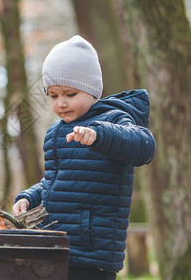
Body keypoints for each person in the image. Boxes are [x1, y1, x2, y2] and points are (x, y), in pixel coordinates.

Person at [12, 35, 156, 280]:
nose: (61, 104)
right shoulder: (55, 133)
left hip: (93, 254)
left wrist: (99, 135)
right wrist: (29, 197)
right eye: (53, 95)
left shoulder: (114, 119)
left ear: (91, 90)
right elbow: (53, 182)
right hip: (57, 244)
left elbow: (144, 147)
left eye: (70, 93)